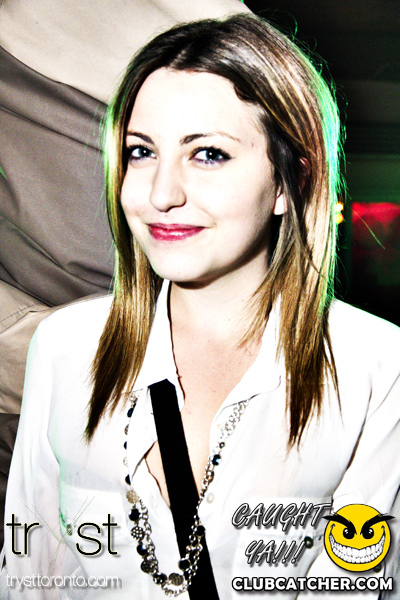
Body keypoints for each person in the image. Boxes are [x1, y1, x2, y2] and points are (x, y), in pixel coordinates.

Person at [2, 13, 400, 600]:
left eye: (208, 154)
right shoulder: (64, 346)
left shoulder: (376, 366)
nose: (161, 194)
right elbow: (28, 576)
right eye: (141, 152)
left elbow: (355, 585)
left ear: (290, 183)